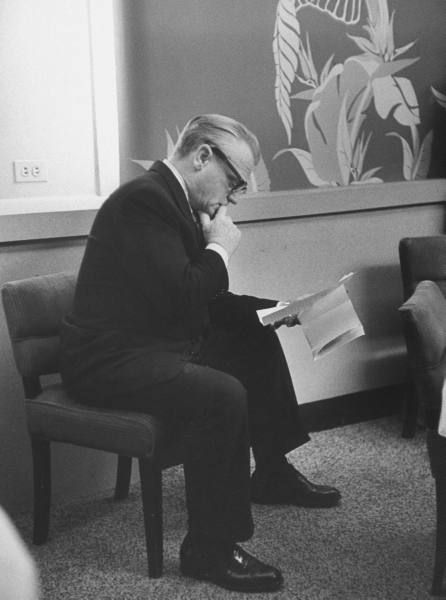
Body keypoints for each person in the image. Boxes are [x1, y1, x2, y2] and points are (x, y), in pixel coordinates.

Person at [59, 114, 340, 593]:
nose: (234, 197)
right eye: (235, 181)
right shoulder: (144, 201)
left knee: (254, 337)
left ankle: (272, 473)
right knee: (220, 395)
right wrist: (221, 250)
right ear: (203, 156)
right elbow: (187, 295)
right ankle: (208, 550)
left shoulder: (174, 201)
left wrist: (275, 309)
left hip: (148, 342)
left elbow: (198, 301)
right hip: (106, 360)